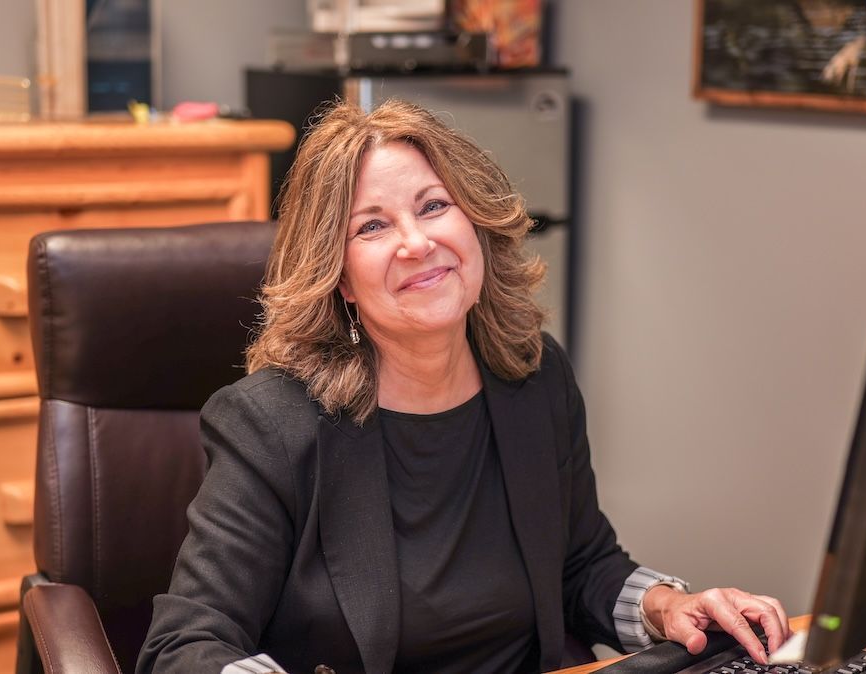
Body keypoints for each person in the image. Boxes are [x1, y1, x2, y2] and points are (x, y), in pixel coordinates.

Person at [138, 100, 789, 674]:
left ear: (474, 222)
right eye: (373, 226)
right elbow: (185, 645)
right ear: (338, 279)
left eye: (433, 206)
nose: (417, 243)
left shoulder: (533, 376)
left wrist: (668, 606)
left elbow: (582, 566)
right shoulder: (269, 424)